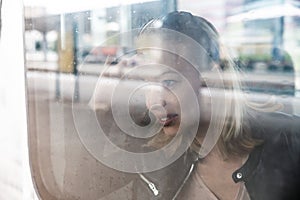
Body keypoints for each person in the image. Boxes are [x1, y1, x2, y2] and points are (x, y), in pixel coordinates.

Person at [94, 11, 300, 200]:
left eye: (169, 82)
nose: (155, 102)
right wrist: (101, 109)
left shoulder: (288, 141)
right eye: (146, 84)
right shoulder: (156, 162)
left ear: (211, 79)